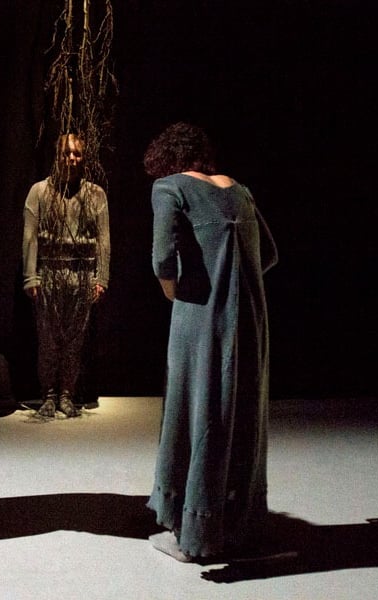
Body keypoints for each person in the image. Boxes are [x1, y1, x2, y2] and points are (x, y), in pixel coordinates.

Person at [142, 122, 278, 562]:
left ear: (166, 159)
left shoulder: (169, 187)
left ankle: (193, 534)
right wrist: (234, 278)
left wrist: (180, 291)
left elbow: (163, 259)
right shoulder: (240, 190)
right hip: (250, 320)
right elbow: (269, 254)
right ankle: (239, 527)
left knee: (196, 409)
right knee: (239, 411)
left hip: (199, 318)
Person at [22, 133, 110, 418]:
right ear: (57, 156)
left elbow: (103, 239)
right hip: (49, 271)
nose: (72, 158)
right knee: (48, 338)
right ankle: (48, 394)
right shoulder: (39, 191)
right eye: (66, 153)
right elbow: (29, 236)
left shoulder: (95, 194)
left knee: (75, 339)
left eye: (77, 154)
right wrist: (31, 276)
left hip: (81, 272)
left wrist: (101, 277)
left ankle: (66, 395)